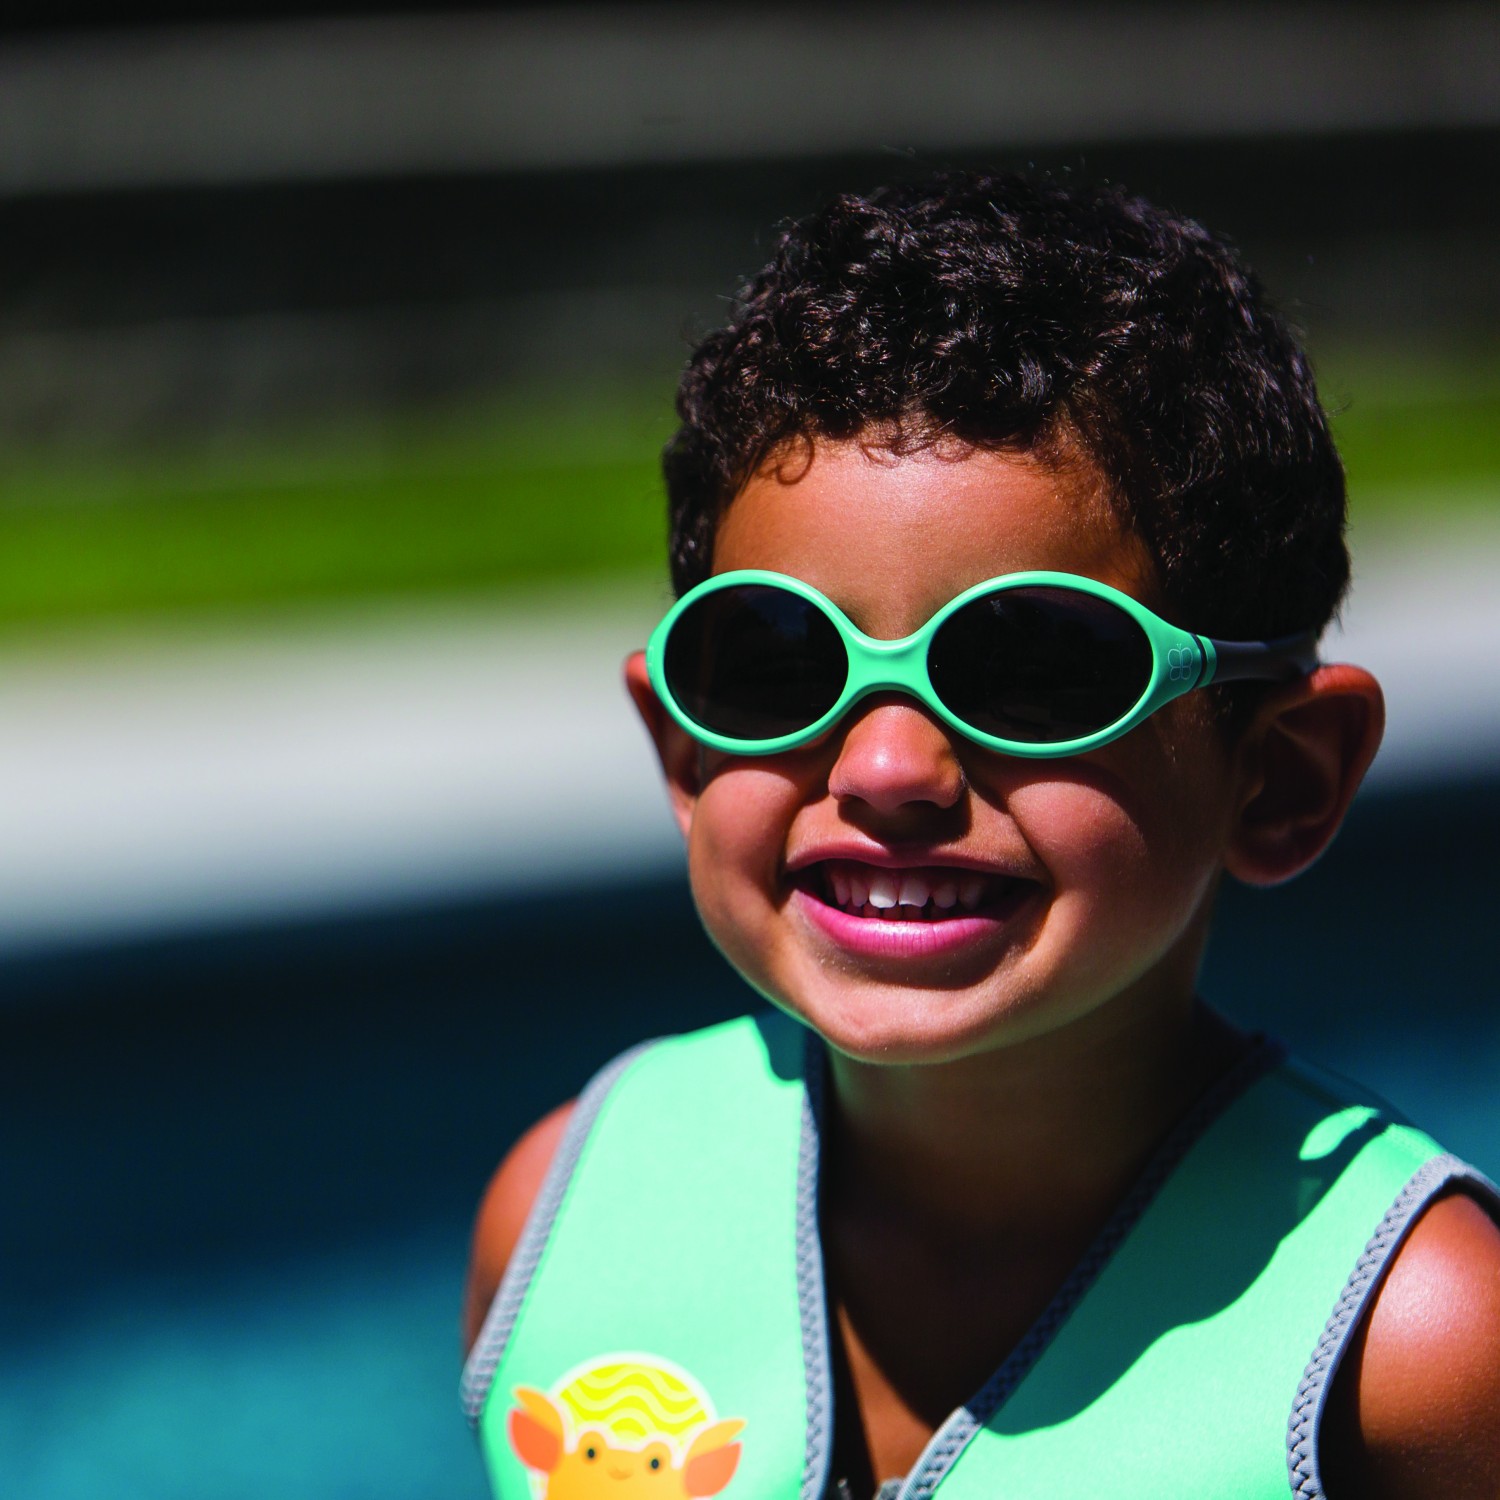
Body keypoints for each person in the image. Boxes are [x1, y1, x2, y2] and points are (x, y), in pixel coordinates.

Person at [459, 171, 1500, 1499]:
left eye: (1034, 671)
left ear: (1281, 776)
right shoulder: (566, 1216)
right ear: (684, 750)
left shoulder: (1413, 1347)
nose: (887, 769)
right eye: (776, 662)